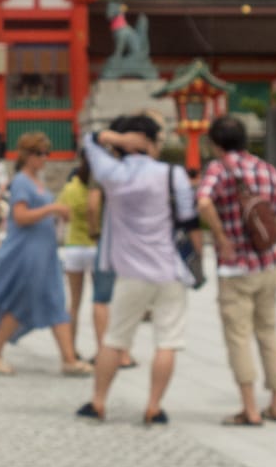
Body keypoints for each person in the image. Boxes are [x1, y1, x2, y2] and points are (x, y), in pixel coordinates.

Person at [79, 116, 198, 425]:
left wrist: (115, 140)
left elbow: (88, 141)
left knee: (115, 339)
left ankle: (98, 401)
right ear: (150, 142)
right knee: (167, 341)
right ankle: (153, 407)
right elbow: (188, 218)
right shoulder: (172, 174)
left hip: (130, 269)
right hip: (168, 268)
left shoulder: (111, 174)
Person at [0, 132, 91, 376]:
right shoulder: (22, 181)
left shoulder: (36, 180)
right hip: (27, 250)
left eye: (46, 153)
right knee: (22, 300)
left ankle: (68, 358)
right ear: (27, 156)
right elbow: (20, 217)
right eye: (40, 154)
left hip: (44, 250)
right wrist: (52, 208)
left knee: (55, 299)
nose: (44, 158)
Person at [195, 114, 276, 426]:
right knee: (269, 333)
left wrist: (221, 238)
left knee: (239, 337)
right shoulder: (267, 169)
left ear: (215, 143)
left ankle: (249, 407)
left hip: (236, 267)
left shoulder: (220, 169)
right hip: (267, 262)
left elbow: (204, 201)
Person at [57, 149, 101, 358]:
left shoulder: (70, 187)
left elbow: (63, 216)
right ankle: (101, 348)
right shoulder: (99, 188)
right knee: (99, 302)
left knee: (74, 303)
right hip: (95, 246)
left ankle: (70, 349)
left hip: (74, 247)